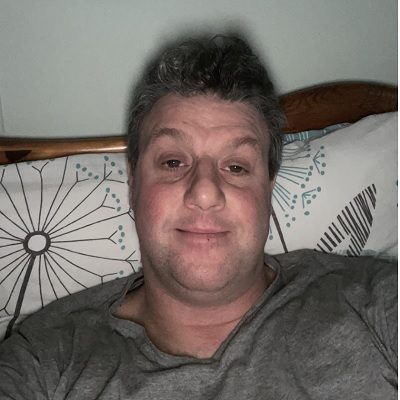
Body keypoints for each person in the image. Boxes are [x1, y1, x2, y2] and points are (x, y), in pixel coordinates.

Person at [0, 34, 397, 399]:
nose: (205, 192)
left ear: (268, 189)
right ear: (133, 185)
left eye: (236, 167)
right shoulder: (44, 359)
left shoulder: (375, 300)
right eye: (173, 162)